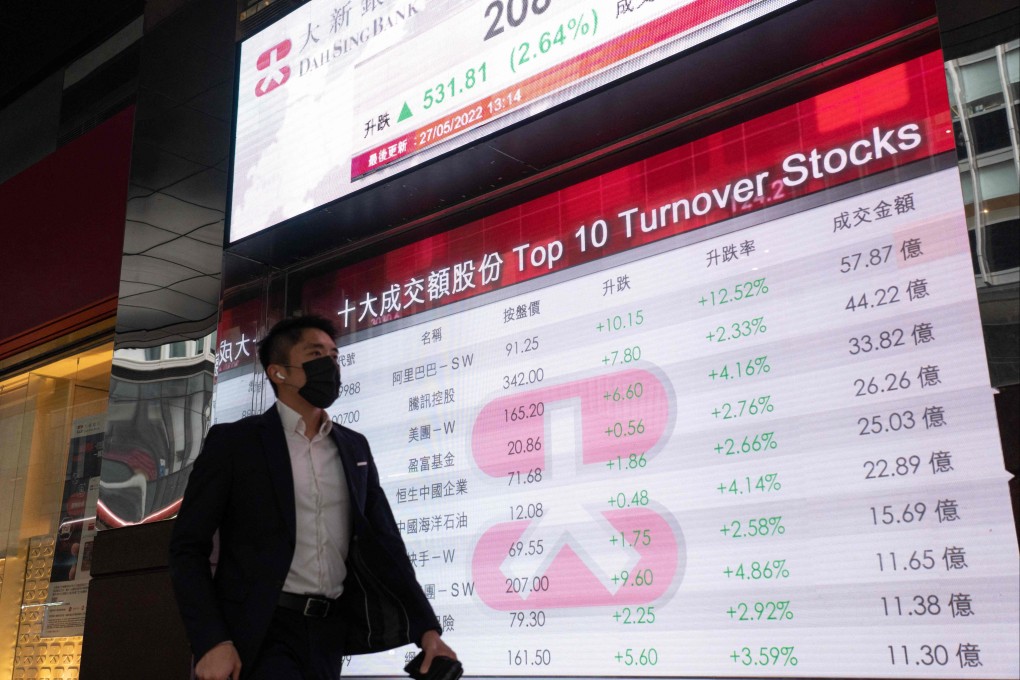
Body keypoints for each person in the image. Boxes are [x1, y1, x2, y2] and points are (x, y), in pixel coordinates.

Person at [169, 315, 456, 680]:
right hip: (259, 632)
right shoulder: (235, 444)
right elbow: (186, 547)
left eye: (335, 356)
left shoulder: (354, 448)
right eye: (316, 353)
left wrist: (426, 631)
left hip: (327, 634)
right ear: (279, 372)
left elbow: (386, 546)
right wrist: (211, 640)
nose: (331, 365)